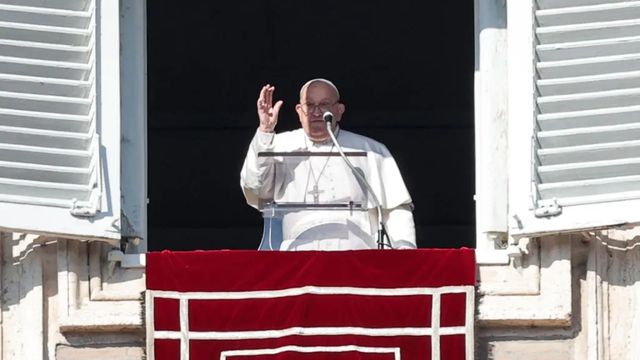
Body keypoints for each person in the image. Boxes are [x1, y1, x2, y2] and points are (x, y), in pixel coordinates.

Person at [240, 78, 416, 250]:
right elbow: (257, 188)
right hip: (298, 256)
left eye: (324, 104)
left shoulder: (370, 150)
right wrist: (265, 130)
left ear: (339, 110)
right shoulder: (277, 145)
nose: (316, 112)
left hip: (356, 254)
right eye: (309, 105)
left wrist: (405, 251)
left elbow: (395, 209)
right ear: (299, 111)